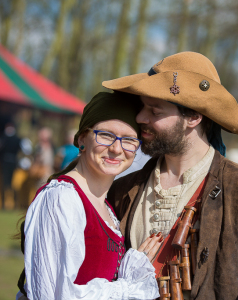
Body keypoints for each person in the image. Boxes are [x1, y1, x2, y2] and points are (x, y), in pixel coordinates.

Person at [102, 52, 238, 300]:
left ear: (194, 117)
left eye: (155, 111)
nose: (141, 117)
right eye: (142, 107)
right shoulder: (122, 191)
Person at [16, 92, 161, 300]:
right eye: (106, 135)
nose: (116, 148)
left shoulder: (108, 208)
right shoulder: (61, 198)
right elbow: (57, 295)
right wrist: (127, 286)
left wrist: (131, 270)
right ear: (82, 138)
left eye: (129, 139)